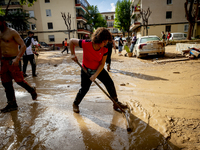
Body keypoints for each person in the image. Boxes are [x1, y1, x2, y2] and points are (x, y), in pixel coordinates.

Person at [69, 27, 128, 113]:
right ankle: (75, 104)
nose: (106, 43)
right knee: (84, 88)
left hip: (98, 69)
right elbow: (71, 41)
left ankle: (116, 103)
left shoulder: (105, 48)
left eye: (107, 41)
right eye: (104, 41)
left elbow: (102, 64)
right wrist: (72, 54)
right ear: (99, 39)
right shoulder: (86, 43)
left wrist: (95, 75)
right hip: (86, 69)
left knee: (110, 83)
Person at [0, 16, 37, 113]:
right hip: (4, 61)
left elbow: (23, 45)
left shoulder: (12, 32)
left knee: (19, 81)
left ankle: (32, 90)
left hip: (13, 60)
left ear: (2, 22)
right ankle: (12, 104)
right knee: (6, 83)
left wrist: (17, 58)